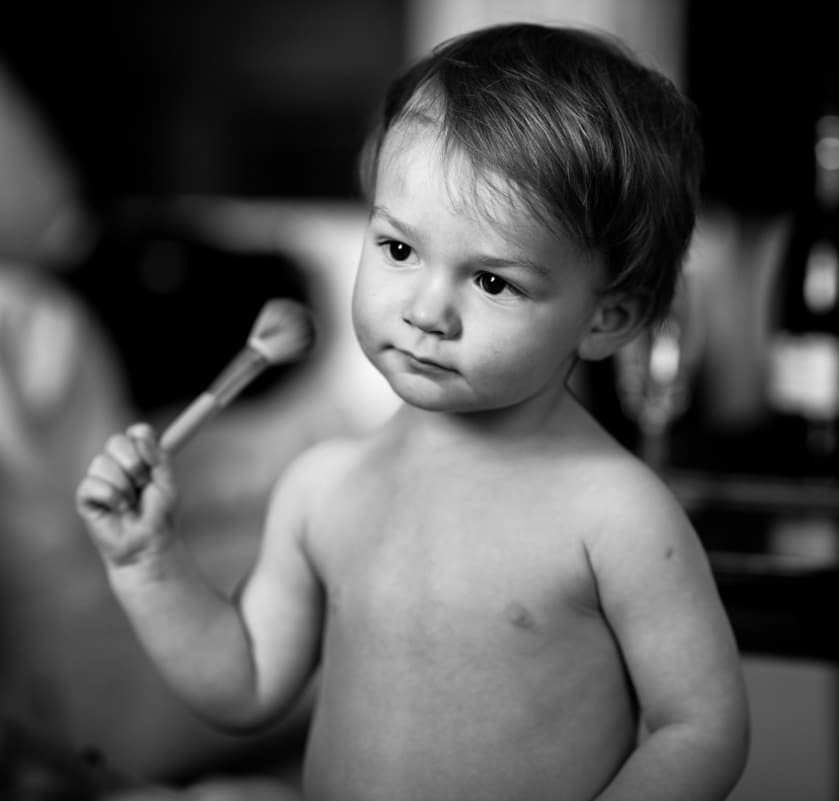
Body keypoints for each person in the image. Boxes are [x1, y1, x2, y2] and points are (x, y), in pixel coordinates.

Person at [76, 23, 749, 801]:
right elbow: (248, 678)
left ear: (608, 317)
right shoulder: (324, 485)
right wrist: (147, 563)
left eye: (493, 282)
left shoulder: (616, 514)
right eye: (399, 250)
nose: (428, 308)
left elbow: (699, 724)